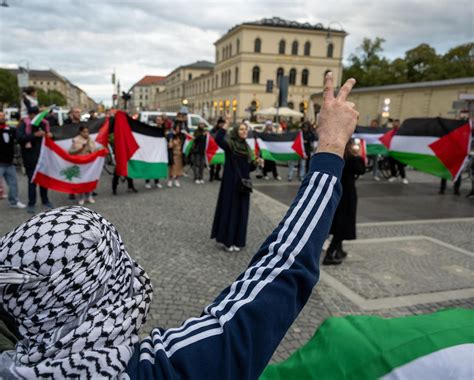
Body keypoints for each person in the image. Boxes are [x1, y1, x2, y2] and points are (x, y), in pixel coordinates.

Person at [0, 72, 359, 379]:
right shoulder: (155, 372)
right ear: (90, 296)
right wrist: (330, 148)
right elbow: (281, 272)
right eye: (116, 262)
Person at [211, 117, 263, 251]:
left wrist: (256, 163)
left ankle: (237, 241)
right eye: (241, 129)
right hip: (231, 182)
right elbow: (217, 139)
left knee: (241, 211)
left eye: (245, 129)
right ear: (236, 131)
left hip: (244, 184)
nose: (244, 131)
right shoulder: (230, 144)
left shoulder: (247, 147)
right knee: (230, 209)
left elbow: (248, 168)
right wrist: (225, 125)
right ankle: (228, 241)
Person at [323, 139, 366, 265]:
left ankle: (339, 249)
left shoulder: (338, 156)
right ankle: (331, 254)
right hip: (347, 194)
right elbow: (361, 169)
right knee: (342, 223)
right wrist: (358, 154)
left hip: (337, 192)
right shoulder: (352, 158)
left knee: (339, 221)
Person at [16, 109, 54, 214]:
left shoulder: (44, 124)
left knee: (44, 181)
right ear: (29, 115)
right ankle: (31, 203)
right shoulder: (24, 124)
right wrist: (34, 135)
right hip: (30, 158)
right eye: (32, 114)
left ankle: (45, 201)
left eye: (36, 114)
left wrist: (50, 135)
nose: (34, 116)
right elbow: (19, 138)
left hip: (43, 158)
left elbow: (51, 137)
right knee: (32, 182)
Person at [0, 111, 26, 209]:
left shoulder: (10, 129)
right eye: (0, 116)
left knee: (13, 183)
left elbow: (19, 136)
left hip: (9, 163)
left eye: (3, 116)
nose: (2, 117)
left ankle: (14, 202)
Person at [69, 125, 97, 205]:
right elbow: (71, 151)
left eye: (87, 132)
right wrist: (81, 148)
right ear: (80, 132)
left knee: (90, 179)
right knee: (81, 180)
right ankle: (82, 197)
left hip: (89, 162)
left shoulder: (90, 139)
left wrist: (92, 149)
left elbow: (94, 149)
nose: (86, 133)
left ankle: (89, 196)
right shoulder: (76, 140)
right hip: (80, 162)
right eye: (84, 132)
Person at [145, 115, 166, 189]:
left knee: (157, 166)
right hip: (152, 150)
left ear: (162, 121)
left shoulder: (164, 129)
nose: (159, 121)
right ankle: (147, 182)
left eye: (160, 120)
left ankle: (157, 182)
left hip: (159, 150)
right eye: (157, 120)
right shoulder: (152, 129)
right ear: (156, 121)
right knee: (150, 166)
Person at [388, 119, 409, 184]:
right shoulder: (390, 131)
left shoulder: (402, 131)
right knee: (392, 165)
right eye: (394, 123)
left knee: (400, 165)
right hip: (391, 150)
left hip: (399, 151)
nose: (394, 124)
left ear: (399, 124)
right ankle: (393, 176)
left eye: (396, 123)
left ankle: (403, 177)